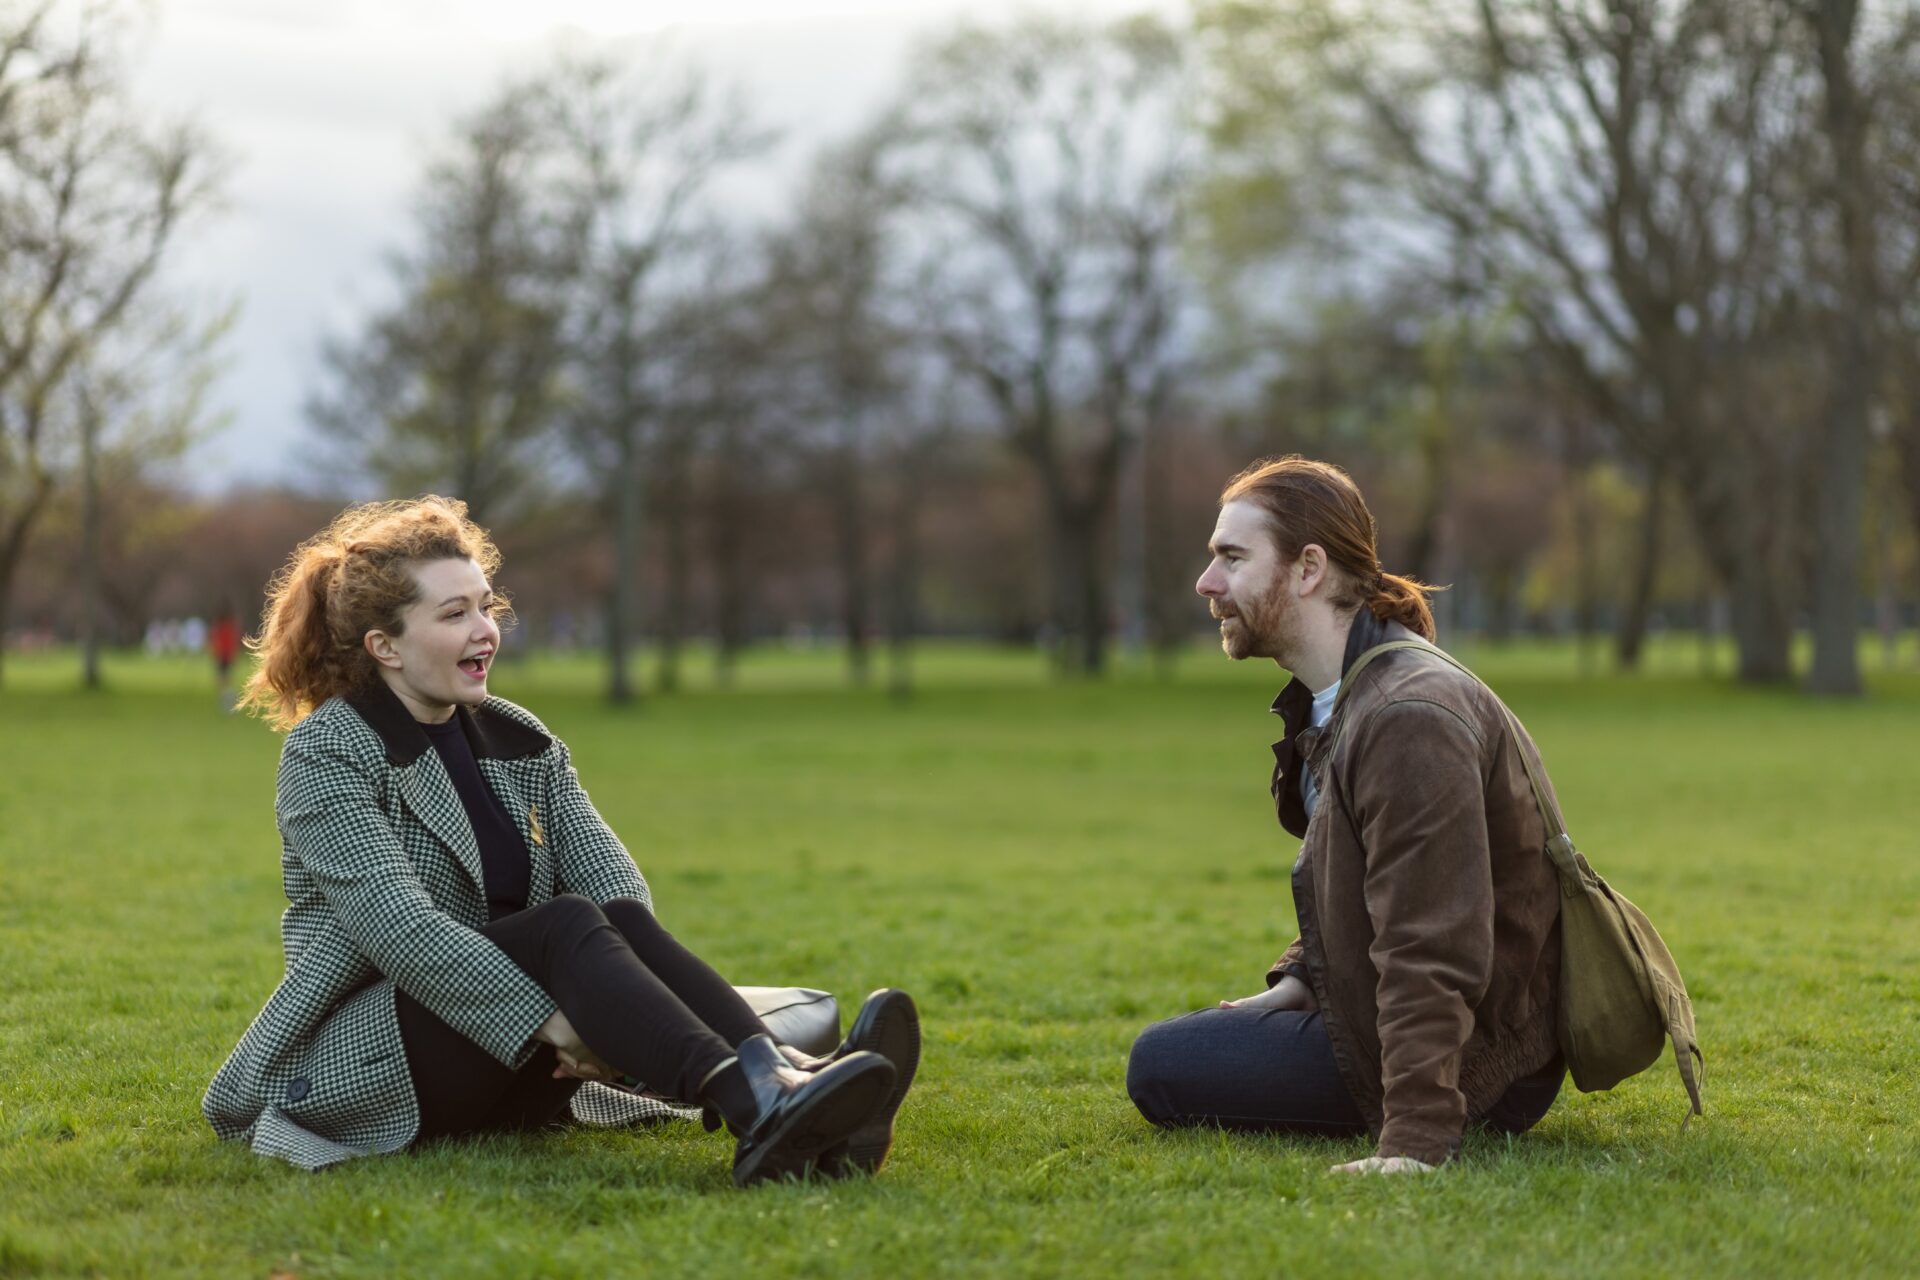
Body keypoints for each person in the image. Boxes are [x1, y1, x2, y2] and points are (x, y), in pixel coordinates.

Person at [203, 496, 921, 1181]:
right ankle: (761, 1097)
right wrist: (561, 1023)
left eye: (487, 606)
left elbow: (621, 899)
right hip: (371, 1064)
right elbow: (403, 933)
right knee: (564, 925)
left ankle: (788, 1081)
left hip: (520, 1067)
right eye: (455, 614)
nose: (485, 630)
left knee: (607, 914)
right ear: (384, 645)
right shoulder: (330, 750)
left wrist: (593, 1016)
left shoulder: (521, 738)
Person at [1125, 456, 1566, 1175]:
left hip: (1477, 1066)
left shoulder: (1406, 715)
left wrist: (1416, 1139)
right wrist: (1301, 979)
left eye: (1232, 559)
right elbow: (1369, 877)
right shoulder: (1352, 691)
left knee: (1159, 1065)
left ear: (1308, 570)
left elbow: (1432, 941)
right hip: (1424, 1031)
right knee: (1194, 1042)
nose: (1207, 584)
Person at [209, 609, 242, 711]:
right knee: (224, 679)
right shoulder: (228, 628)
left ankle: (228, 698)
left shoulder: (222, 628)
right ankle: (228, 697)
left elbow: (219, 642)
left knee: (223, 679)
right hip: (225, 656)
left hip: (224, 656)